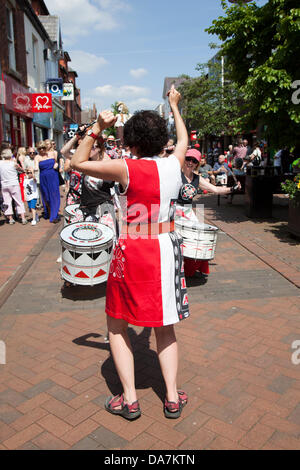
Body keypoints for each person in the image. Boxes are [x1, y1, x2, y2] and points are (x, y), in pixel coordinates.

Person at [70, 86, 190, 420]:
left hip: (132, 250)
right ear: (160, 139)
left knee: (117, 325)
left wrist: (97, 127)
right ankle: (171, 397)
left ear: (131, 141)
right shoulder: (174, 164)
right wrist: (174, 105)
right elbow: (182, 141)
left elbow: (76, 161)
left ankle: (130, 399)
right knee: (165, 327)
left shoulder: (124, 168)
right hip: (166, 248)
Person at [176, 149, 240, 278]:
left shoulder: (197, 179)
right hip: (174, 210)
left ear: (197, 163)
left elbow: (215, 189)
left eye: (194, 161)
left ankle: (189, 268)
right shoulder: (175, 174)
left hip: (187, 211)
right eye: (188, 159)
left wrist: (232, 189)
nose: (190, 162)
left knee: (196, 239)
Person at [35, 141, 60, 223]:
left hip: (53, 176)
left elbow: (57, 162)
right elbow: (35, 167)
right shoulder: (37, 157)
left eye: (43, 148)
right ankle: (49, 211)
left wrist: (57, 164)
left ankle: (54, 215)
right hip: (43, 178)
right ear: (38, 149)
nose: (42, 150)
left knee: (54, 195)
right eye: (40, 148)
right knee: (47, 196)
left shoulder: (53, 153)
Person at [0, 148, 28, 224]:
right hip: (14, 184)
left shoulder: (0, 163)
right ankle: (23, 218)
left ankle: (10, 219)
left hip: (4, 184)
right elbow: (21, 170)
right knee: (19, 201)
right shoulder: (13, 163)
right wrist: (23, 170)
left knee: (7, 201)